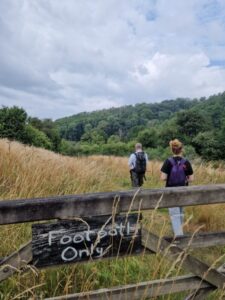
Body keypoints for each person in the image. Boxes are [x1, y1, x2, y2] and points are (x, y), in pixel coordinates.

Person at [160, 139, 194, 237]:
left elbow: (163, 177)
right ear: (181, 149)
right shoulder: (186, 162)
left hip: (171, 191)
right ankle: (178, 233)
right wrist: (185, 178)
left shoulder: (168, 161)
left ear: (172, 149)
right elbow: (192, 178)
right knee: (180, 212)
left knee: (174, 214)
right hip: (183, 190)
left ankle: (179, 237)